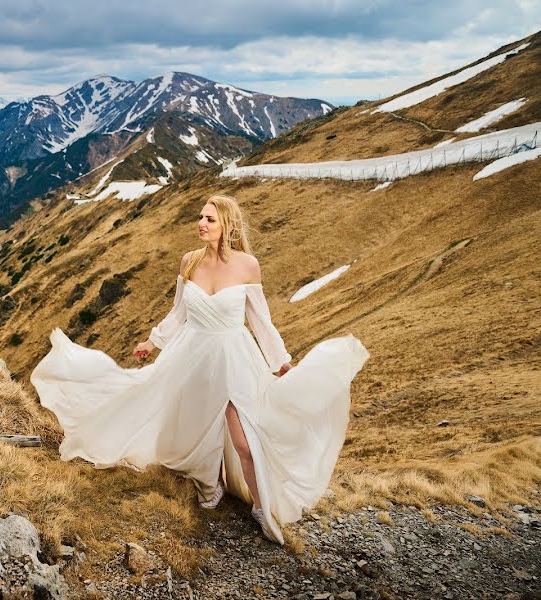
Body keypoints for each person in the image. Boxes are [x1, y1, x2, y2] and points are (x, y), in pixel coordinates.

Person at [30, 194, 370, 544]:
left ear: (227, 225)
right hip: (192, 354)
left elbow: (260, 321)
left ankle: (259, 505)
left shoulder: (247, 266)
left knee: (243, 441)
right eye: (200, 217)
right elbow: (179, 313)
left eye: (210, 219)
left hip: (233, 357)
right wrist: (152, 341)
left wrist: (280, 361)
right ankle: (212, 484)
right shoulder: (189, 261)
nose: (201, 224)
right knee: (194, 425)